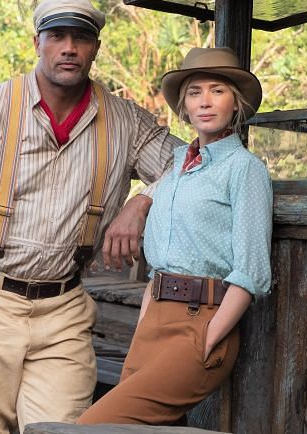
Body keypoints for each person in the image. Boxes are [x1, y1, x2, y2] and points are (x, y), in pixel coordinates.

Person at [0, 0, 183, 434]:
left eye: (81, 38)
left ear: (95, 48)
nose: (69, 48)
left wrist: (142, 201)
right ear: (37, 43)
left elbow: (191, 166)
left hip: (64, 308)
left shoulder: (125, 122)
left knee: (61, 429)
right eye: (57, 36)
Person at [78, 47, 273, 425]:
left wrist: (210, 335)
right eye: (195, 92)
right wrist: (145, 324)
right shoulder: (177, 168)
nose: (205, 101)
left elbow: (251, 271)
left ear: (236, 103)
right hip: (154, 321)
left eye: (218, 90)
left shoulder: (244, 170)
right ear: (184, 105)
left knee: (95, 426)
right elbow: (160, 265)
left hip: (202, 322)